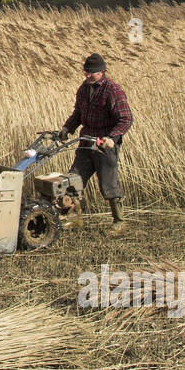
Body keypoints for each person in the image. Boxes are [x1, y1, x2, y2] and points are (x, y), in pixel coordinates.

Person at [56, 53, 133, 234]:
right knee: (74, 179)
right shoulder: (83, 89)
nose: (88, 75)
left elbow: (126, 119)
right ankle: (74, 219)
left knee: (108, 183)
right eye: (86, 71)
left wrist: (112, 138)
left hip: (103, 144)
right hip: (85, 142)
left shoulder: (113, 90)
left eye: (92, 72)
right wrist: (67, 129)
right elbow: (78, 114)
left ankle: (119, 221)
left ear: (102, 72)